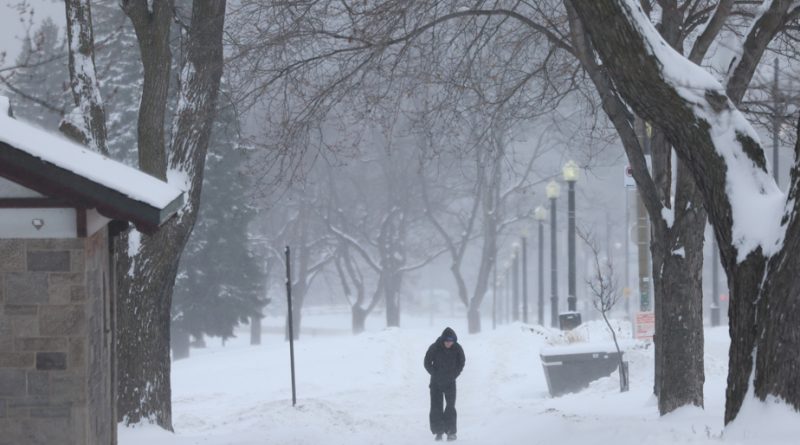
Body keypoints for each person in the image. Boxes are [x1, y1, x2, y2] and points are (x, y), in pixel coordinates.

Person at [424, 327, 465, 441]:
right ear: (443, 340)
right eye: (446, 341)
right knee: (436, 407)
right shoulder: (435, 347)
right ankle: (439, 432)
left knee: (450, 407)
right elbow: (426, 362)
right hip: (436, 382)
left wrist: (454, 374)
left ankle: (451, 432)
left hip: (450, 382)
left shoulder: (457, 348)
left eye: (451, 341)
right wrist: (435, 374)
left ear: (454, 340)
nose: (448, 343)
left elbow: (461, 362)